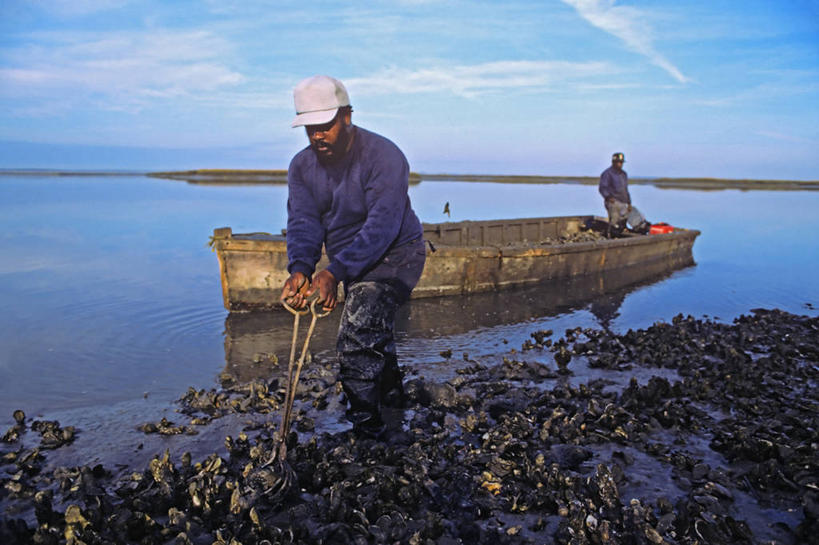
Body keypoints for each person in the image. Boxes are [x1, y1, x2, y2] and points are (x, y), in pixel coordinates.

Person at [279, 75, 426, 439]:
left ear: (346, 115)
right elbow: (303, 221)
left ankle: (367, 433)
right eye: (310, 128)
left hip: (396, 255)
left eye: (325, 125)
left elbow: (382, 226)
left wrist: (335, 272)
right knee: (374, 330)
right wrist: (301, 268)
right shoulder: (302, 167)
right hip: (349, 258)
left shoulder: (384, 156)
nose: (317, 135)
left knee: (357, 334)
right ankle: (394, 404)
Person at [598, 152, 650, 235]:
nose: (620, 164)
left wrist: (629, 202)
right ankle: (611, 236)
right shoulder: (607, 174)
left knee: (626, 219)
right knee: (615, 222)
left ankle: (626, 233)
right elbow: (602, 188)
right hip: (613, 202)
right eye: (618, 162)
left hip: (623, 202)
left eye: (621, 162)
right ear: (613, 162)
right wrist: (608, 197)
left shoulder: (623, 174)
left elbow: (625, 190)